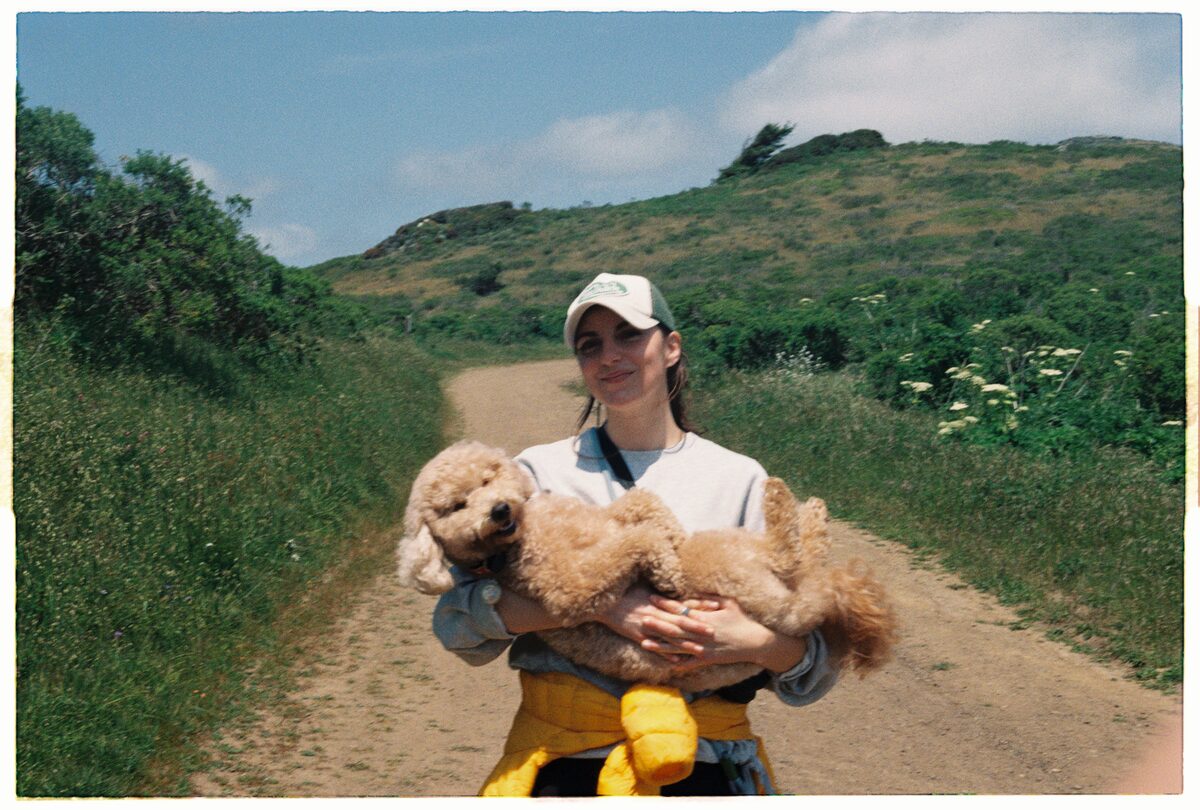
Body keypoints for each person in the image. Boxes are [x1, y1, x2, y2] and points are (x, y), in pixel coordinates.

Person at [433, 272, 838, 796]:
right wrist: (596, 604)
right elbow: (458, 624)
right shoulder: (534, 474)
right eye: (590, 345)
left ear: (671, 347)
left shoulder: (739, 478)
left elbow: (814, 667)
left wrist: (750, 641)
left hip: (705, 765)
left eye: (628, 335)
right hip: (567, 761)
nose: (609, 356)